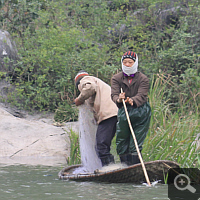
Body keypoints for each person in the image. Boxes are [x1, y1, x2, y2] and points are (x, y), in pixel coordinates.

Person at [111, 51, 151, 166]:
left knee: (135, 143)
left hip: (141, 111)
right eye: (125, 62)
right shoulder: (116, 78)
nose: (127, 64)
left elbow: (142, 95)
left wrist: (133, 100)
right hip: (124, 110)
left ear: (135, 63)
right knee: (121, 140)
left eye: (130, 62)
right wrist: (119, 98)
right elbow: (113, 94)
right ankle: (126, 167)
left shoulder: (143, 78)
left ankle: (136, 167)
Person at [74, 70, 118, 167]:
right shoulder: (98, 82)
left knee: (101, 146)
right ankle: (112, 168)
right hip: (116, 113)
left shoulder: (85, 80)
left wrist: (79, 99)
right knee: (104, 144)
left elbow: (90, 88)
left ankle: (110, 170)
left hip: (108, 114)